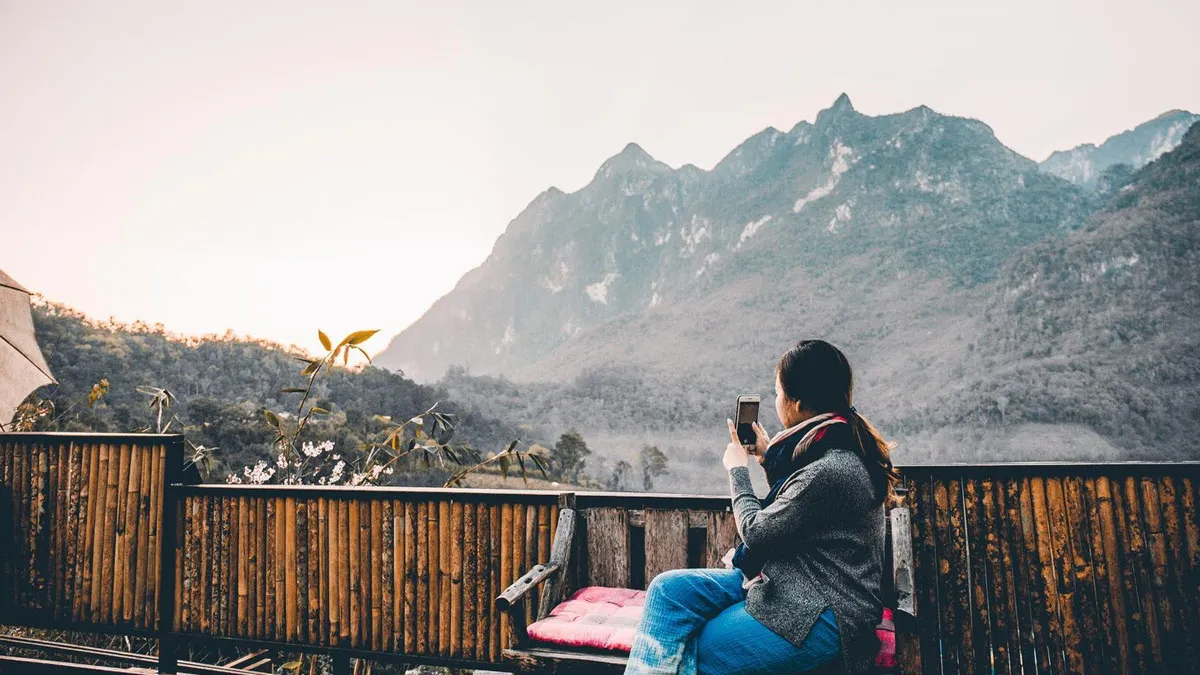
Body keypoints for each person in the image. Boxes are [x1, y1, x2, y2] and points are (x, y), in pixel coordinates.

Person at [624, 339, 900, 675]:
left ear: (797, 402)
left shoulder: (831, 469)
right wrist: (767, 458)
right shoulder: (832, 451)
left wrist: (737, 470)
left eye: (778, 393)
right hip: (789, 584)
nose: (777, 400)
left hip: (822, 613)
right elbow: (798, 506)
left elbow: (757, 532)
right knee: (668, 590)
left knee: (694, 648)